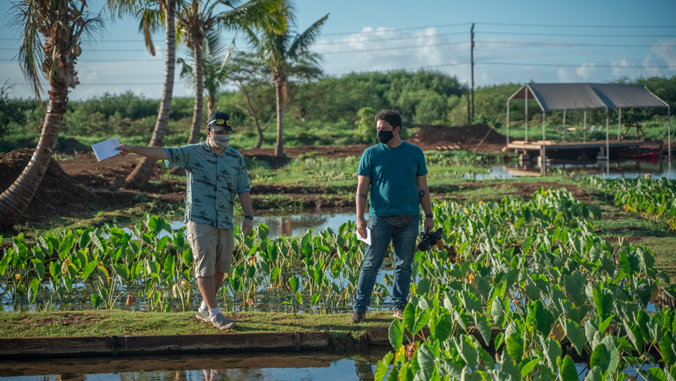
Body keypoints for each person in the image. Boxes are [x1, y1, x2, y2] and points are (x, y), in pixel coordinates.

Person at [116, 112, 254, 330]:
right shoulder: (193, 153)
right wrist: (132, 148)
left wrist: (248, 217)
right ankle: (215, 314)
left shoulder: (236, 158)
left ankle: (204, 309)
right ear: (209, 132)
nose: (224, 136)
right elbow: (162, 153)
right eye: (219, 132)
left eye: (227, 132)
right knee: (205, 265)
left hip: (225, 219)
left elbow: (243, 189)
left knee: (221, 267)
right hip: (200, 218)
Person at [350, 109, 433, 323]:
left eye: (384, 129)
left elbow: (422, 187)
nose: (380, 133)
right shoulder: (371, 154)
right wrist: (360, 218)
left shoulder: (415, 153)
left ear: (396, 129)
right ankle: (359, 309)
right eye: (378, 129)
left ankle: (399, 307)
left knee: (404, 264)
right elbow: (361, 189)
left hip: (409, 218)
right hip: (380, 218)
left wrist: (428, 215)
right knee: (370, 263)